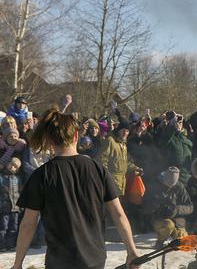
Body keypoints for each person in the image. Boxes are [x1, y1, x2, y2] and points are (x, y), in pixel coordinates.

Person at [12, 107, 139, 269]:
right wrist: (132, 251)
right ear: (77, 136)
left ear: (50, 141)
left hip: (60, 261)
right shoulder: (98, 169)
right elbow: (118, 214)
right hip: (95, 259)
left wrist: (17, 264)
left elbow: (28, 224)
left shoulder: (41, 175)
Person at [145, 166, 194, 249]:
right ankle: (160, 241)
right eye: (167, 184)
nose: (169, 187)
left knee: (182, 243)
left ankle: (176, 234)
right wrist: (156, 204)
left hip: (177, 220)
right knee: (168, 225)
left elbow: (190, 207)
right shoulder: (155, 186)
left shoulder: (180, 187)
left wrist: (177, 209)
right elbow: (145, 207)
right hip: (159, 219)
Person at [0, 157, 22, 251]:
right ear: (7, 164)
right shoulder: (1, 177)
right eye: (11, 164)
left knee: (14, 227)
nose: (12, 167)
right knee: (3, 227)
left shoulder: (18, 179)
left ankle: (11, 245)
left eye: (15, 166)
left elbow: (20, 192)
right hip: (4, 207)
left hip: (15, 208)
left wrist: (20, 206)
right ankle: (2, 246)